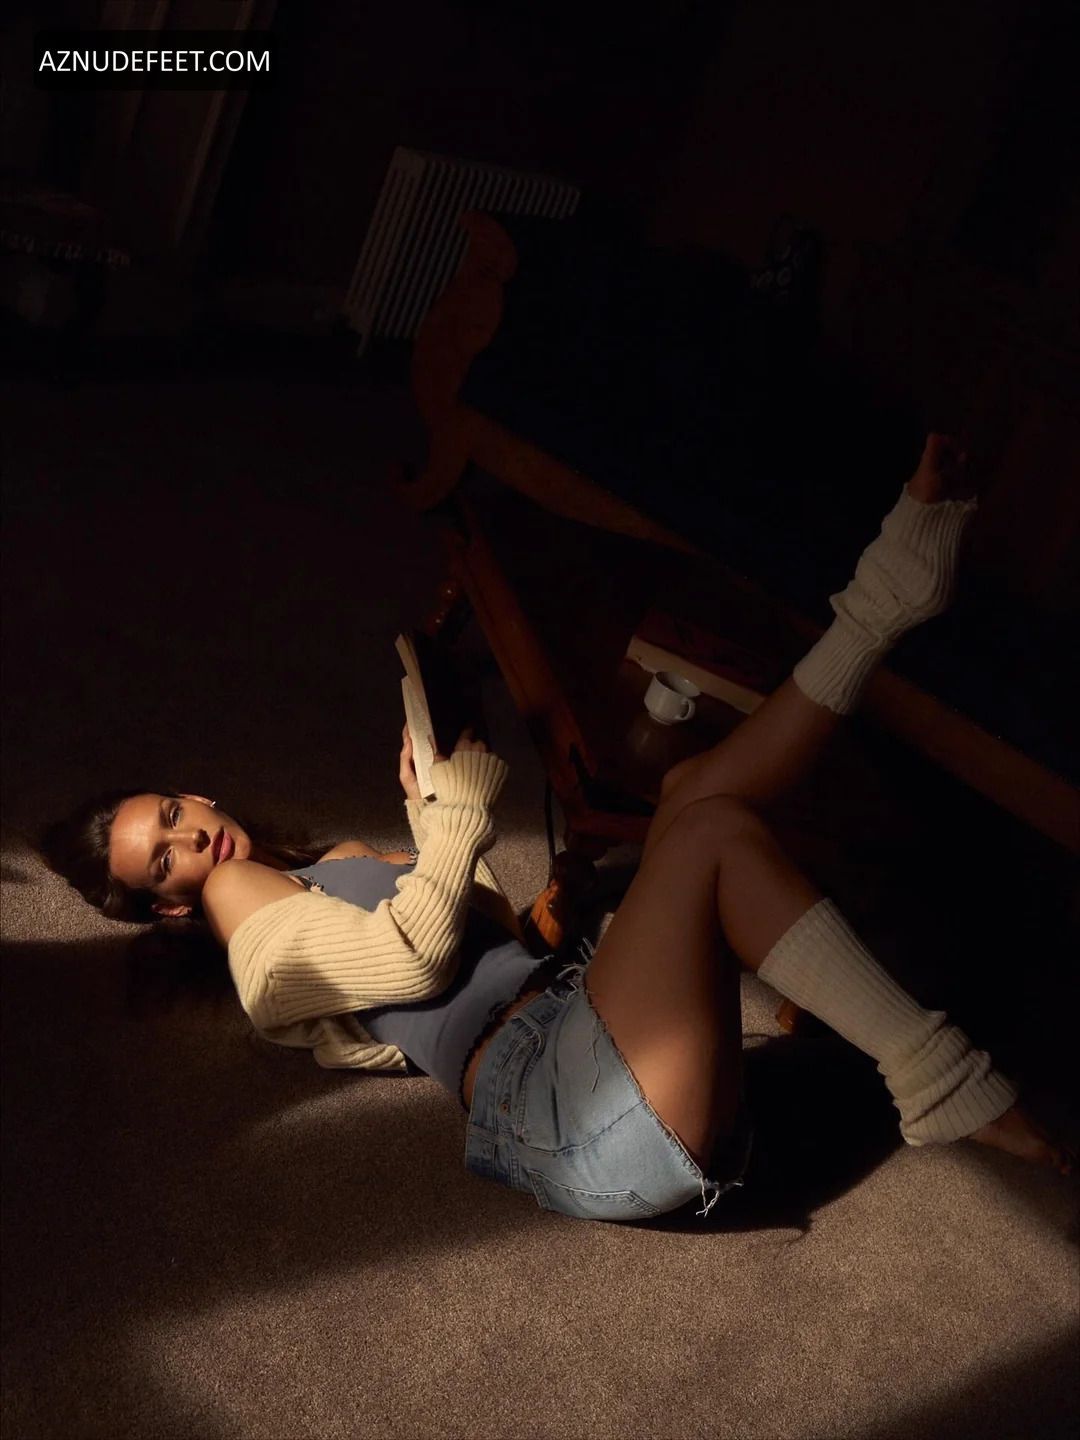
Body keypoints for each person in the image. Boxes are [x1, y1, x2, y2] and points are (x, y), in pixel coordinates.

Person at [41, 434, 1074, 1224]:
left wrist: (425, 815)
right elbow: (411, 960)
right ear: (169, 908)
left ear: (193, 793)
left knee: (692, 797)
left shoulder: (327, 876)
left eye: (172, 817)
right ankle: (942, 1079)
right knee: (706, 835)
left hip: (580, 1041)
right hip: (559, 1110)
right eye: (164, 864)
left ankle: (882, 607)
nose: (192, 845)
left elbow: (475, 940)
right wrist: (456, 812)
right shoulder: (258, 953)